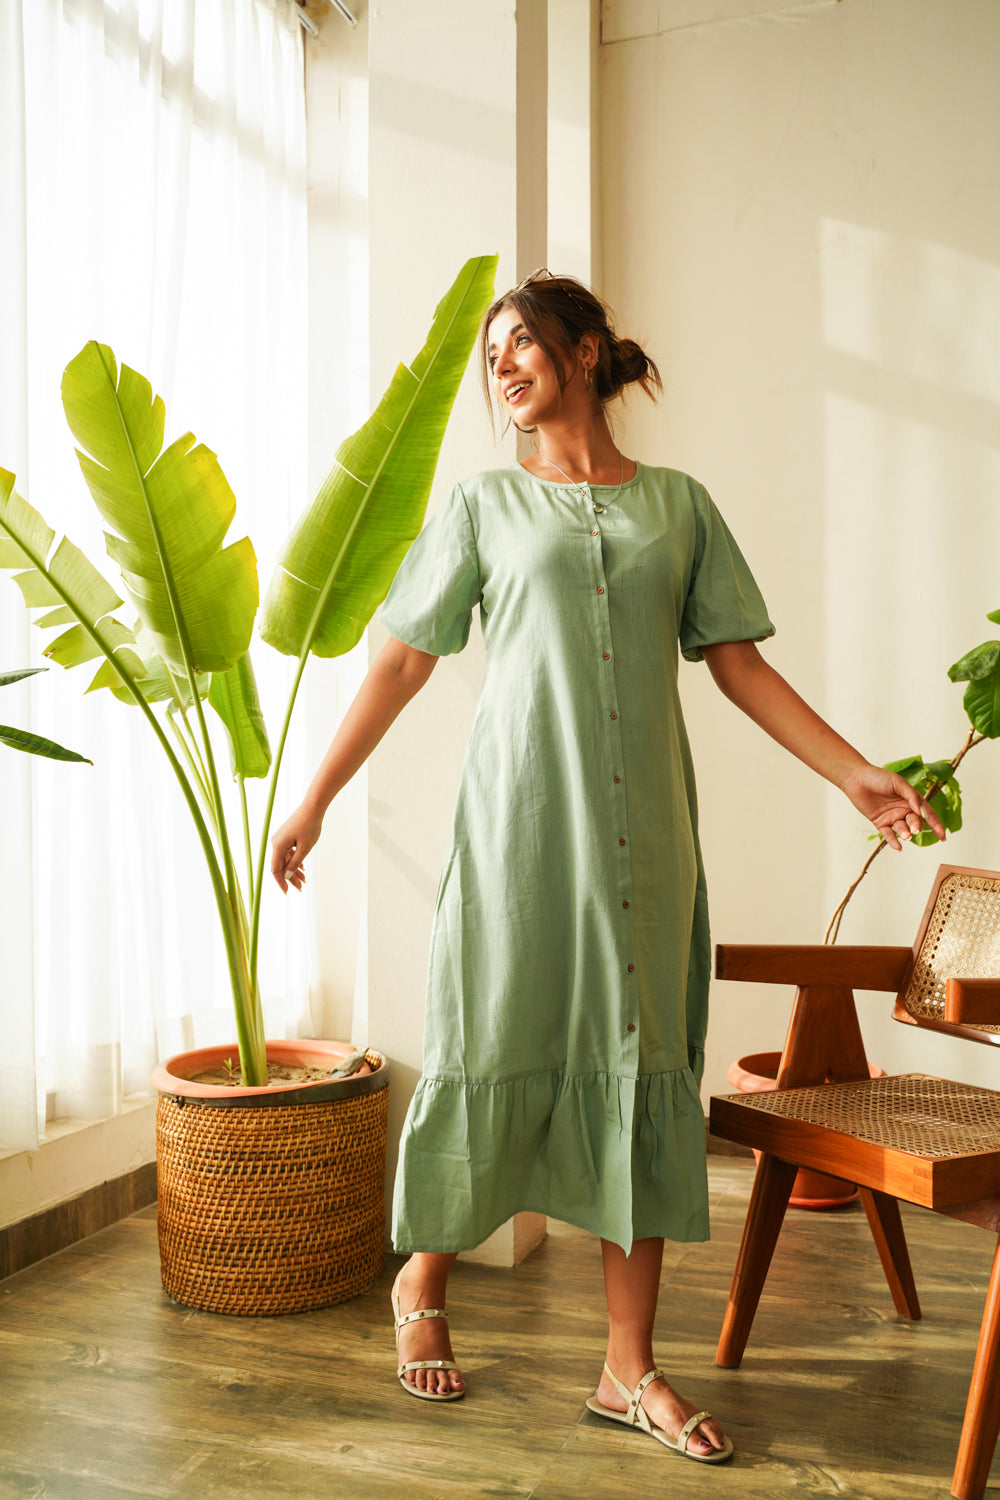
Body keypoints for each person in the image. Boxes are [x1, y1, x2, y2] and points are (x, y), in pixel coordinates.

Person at [270, 271, 943, 1465]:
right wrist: (312, 799)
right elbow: (399, 663)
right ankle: (421, 1274)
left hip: (646, 855)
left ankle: (627, 1370)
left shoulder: (678, 507)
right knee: (495, 1047)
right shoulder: (483, 507)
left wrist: (851, 773)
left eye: (520, 343)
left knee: (638, 1066)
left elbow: (737, 666)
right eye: (491, 358)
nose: (502, 368)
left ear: (586, 352)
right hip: (518, 836)